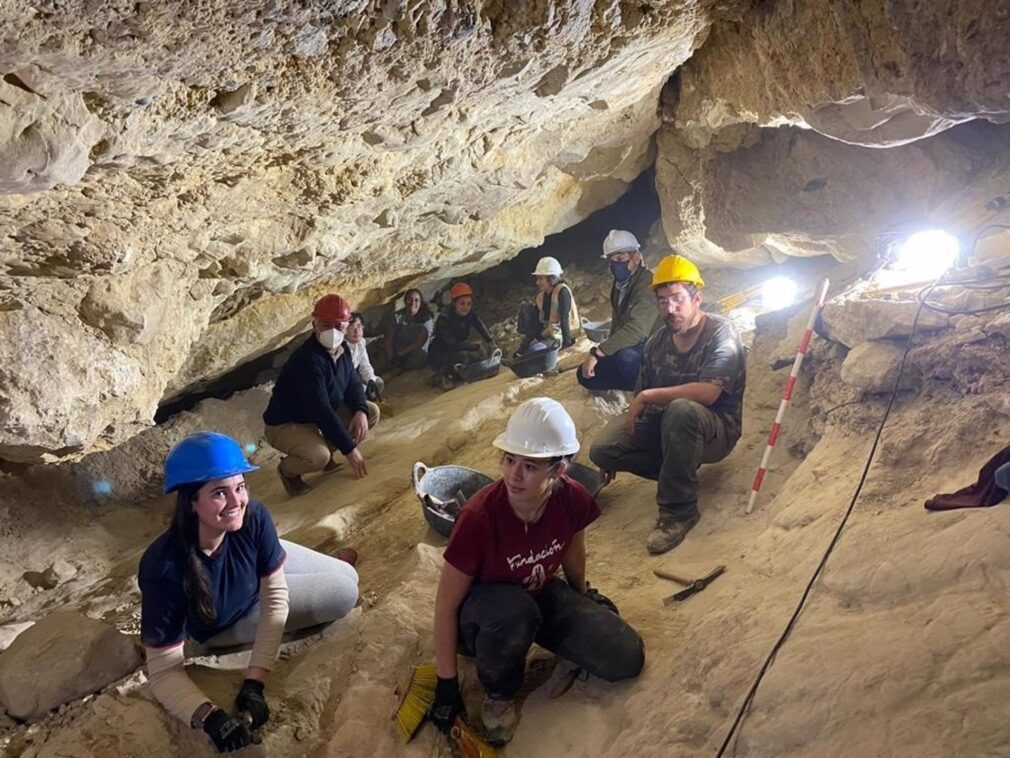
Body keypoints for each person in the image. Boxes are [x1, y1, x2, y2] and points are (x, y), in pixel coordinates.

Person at [429, 398, 644, 746]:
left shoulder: (571, 499)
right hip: (484, 618)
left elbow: (574, 553)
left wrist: (582, 598)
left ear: (558, 470)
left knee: (625, 655)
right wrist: (446, 683)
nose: (514, 475)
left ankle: (554, 641)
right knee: (514, 612)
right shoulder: (478, 517)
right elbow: (445, 605)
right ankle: (498, 695)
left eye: (530, 466)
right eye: (509, 460)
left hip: (535, 592)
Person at [139, 432, 358, 754]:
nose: (235, 501)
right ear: (190, 502)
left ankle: (276, 559)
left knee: (347, 574)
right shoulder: (165, 569)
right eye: (219, 493)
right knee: (343, 591)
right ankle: (280, 565)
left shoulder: (250, 516)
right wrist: (209, 717)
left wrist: (254, 681)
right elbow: (162, 672)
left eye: (240, 487)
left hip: (246, 560)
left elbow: (276, 598)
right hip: (229, 618)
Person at [590, 255, 746, 555]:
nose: (669, 309)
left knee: (681, 409)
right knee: (603, 449)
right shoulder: (657, 342)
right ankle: (679, 466)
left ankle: (679, 511)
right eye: (662, 301)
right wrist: (618, 449)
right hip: (670, 427)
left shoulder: (720, 333)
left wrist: (648, 397)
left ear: (696, 298)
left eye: (677, 299)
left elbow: (709, 393)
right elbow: (641, 397)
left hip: (715, 430)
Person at [263, 294, 379, 497]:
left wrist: (360, 410)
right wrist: (349, 449)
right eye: (326, 324)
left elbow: (352, 383)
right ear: (314, 323)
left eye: (338, 325)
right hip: (288, 422)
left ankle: (328, 450)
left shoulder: (341, 348)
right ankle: (288, 470)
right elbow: (321, 409)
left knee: (370, 412)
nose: (332, 332)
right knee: (318, 456)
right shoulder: (308, 360)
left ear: (345, 325)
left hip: (315, 415)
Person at [577, 230, 657, 392]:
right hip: (632, 345)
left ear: (635, 257)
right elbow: (618, 322)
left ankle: (651, 390)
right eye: (611, 261)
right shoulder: (620, 285)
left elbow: (638, 329)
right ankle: (633, 383)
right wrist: (607, 353)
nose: (615, 265)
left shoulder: (647, 284)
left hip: (651, 348)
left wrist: (599, 352)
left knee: (626, 358)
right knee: (584, 375)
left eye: (620, 259)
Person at [428, 282, 496, 391]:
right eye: (462, 303)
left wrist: (490, 342)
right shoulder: (444, 319)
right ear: (454, 303)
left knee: (477, 361)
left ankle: (455, 373)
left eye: (469, 304)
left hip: (455, 349)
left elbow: (479, 325)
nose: (466, 307)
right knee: (464, 357)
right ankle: (443, 375)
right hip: (441, 354)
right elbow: (452, 344)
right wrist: (475, 347)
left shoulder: (469, 314)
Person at [514, 256, 580, 357]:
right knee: (526, 311)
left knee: (536, 350)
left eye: (541, 279)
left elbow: (564, 319)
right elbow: (535, 324)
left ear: (551, 278)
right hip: (550, 333)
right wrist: (521, 349)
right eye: (537, 278)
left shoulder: (562, 292)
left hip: (564, 333)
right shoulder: (541, 296)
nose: (537, 282)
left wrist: (567, 344)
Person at [376, 288, 435, 374]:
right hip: (396, 352)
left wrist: (401, 354)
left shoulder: (426, 320)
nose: (412, 303)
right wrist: (392, 358)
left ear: (420, 303)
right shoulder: (396, 317)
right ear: (405, 301)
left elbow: (420, 342)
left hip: (413, 353)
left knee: (420, 357)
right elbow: (389, 339)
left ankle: (402, 369)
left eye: (416, 300)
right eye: (409, 300)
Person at [345, 312, 384, 402]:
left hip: (353, 377)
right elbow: (343, 376)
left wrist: (370, 380)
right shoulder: (342, 347)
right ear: (345, 330)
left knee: (378, 383)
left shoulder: (361, 342)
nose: (356, 331)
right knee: (361, 391)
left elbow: (365, 365)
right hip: (344, 382)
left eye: (359, 326)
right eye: (351, 327)